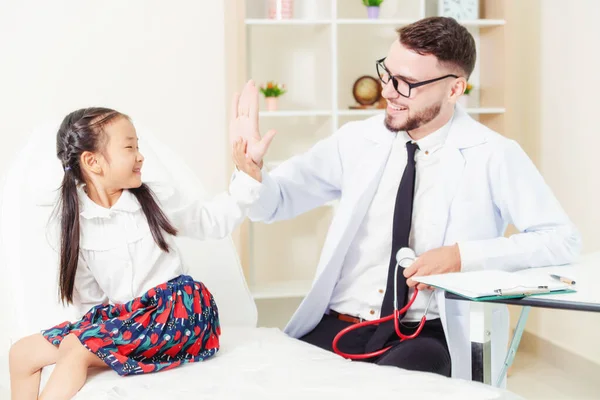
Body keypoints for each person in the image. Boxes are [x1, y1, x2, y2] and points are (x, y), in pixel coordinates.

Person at [229, 17, 581, 380]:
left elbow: (561, 240)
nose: (389, 92)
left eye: (407, 83)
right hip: (341, 322)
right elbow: (273, 202)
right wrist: (252, 172)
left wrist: (462, 257)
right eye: (387, 73)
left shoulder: (494, 154)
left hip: (424, 331)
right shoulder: (356, 141)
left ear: (455, 89)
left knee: (402, 381)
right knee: (275, 380)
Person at [9, 107, 265, 400]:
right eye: (130, 147)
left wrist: (248, 177)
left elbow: (211, 221)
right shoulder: (75, 220)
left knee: (78, 349)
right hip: (130, 318)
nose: (140, 156)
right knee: (22, 353)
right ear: (93, 162)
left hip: (177, 312)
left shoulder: (154, 201)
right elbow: (90, 298)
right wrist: (90, 333)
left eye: (138, 146)